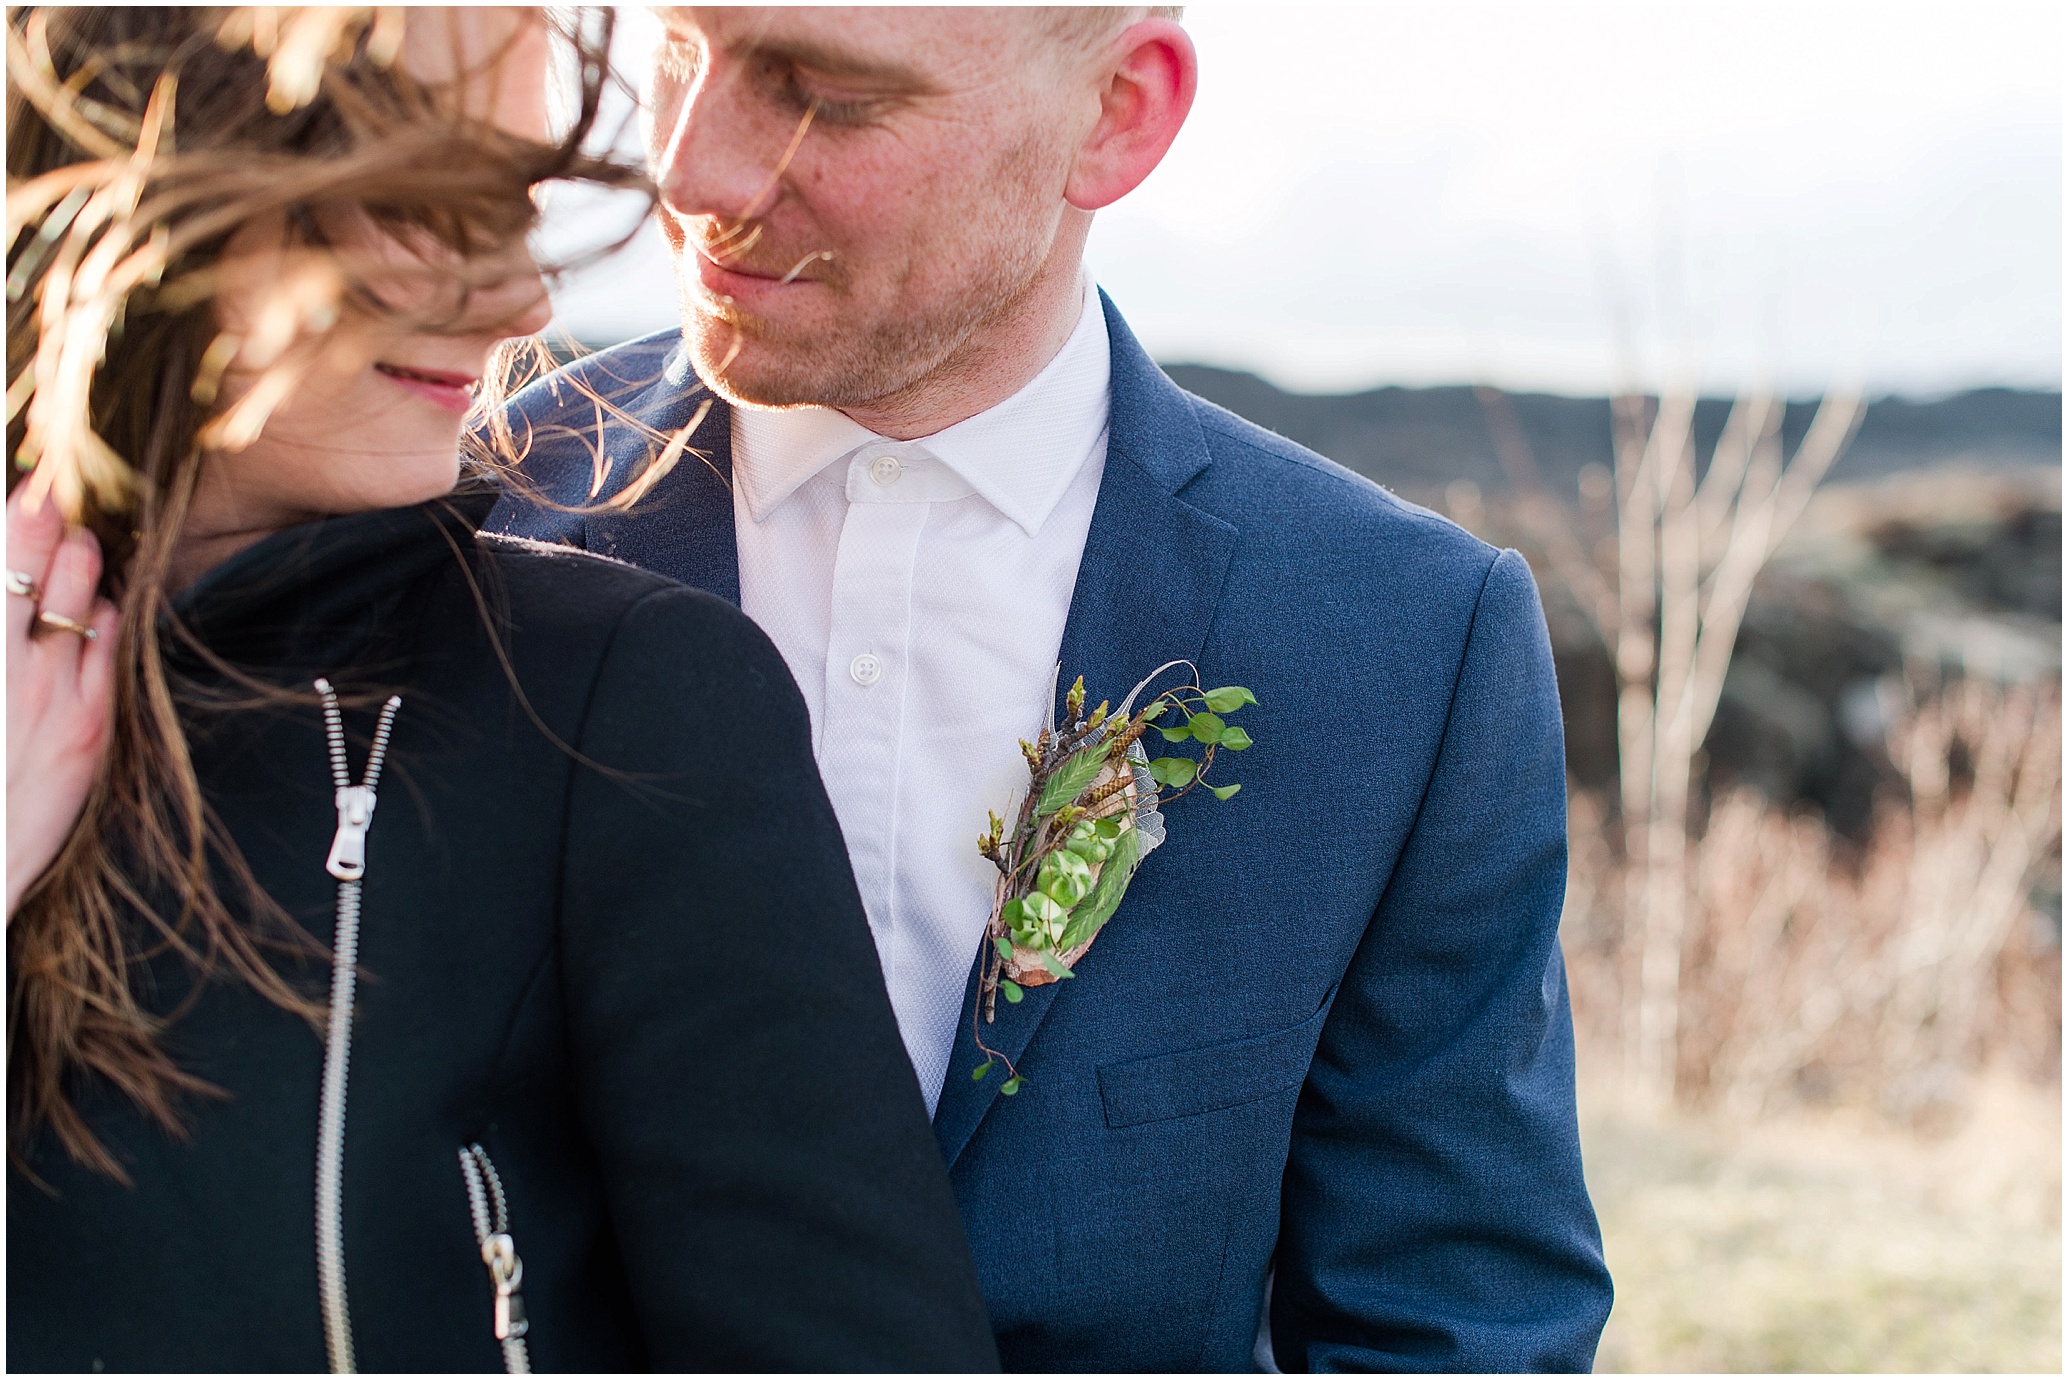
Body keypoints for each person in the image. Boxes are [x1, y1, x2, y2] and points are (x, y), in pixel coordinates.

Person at [491, 6, 1614, 1372]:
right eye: (675, 51)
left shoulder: (1403, 641)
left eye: (822, 95)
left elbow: (1454, 1318)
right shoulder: (453, 525)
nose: (692, 171)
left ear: (1118, 112)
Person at [5, 7, 997, 1372]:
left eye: (517, 199)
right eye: (423, 195)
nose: (521, 298)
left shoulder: (623, 705)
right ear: (135, 164)